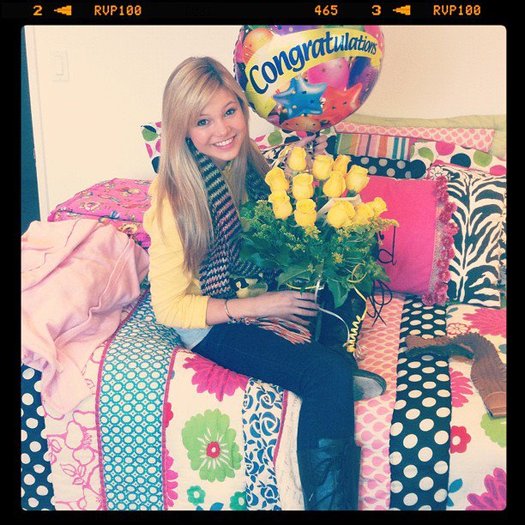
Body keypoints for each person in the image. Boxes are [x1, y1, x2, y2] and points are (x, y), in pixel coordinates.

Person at [143, 56, 385, 511]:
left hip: (249, 290)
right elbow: (169, 308)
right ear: (183, 130)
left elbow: (268, 232)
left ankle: (329, 353)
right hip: (210, 320)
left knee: (347, 259)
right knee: (325, 376)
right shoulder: (174, 199)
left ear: (243, 107)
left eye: (229, 111)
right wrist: (262, 306)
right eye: (202, 121)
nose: (222, 130)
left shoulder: (246, 163)